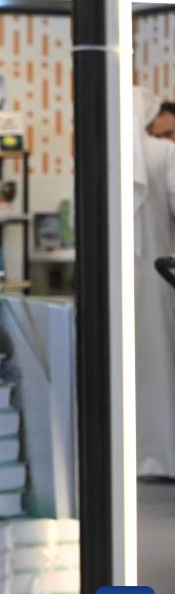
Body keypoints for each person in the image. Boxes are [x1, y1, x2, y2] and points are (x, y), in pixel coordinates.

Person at [132, 87, 175, 478]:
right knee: (160, 367)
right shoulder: (165, 155)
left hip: (119, 283)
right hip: (161, 274)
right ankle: (162, 454)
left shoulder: (102, 158)